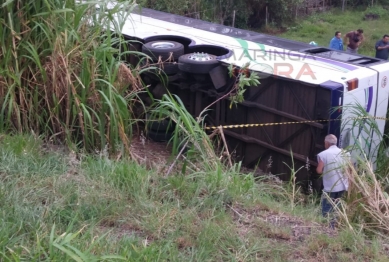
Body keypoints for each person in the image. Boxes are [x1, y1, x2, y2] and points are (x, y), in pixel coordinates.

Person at [316, 134, 350, 228]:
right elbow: (350, 168)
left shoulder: (323, 154)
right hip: (343, 186)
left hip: (330, 186)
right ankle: (333, 227)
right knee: (336, 208)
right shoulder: (345, 153)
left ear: (326, 143)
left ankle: (327, 228)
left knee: (327, 208)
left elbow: (319, 170)